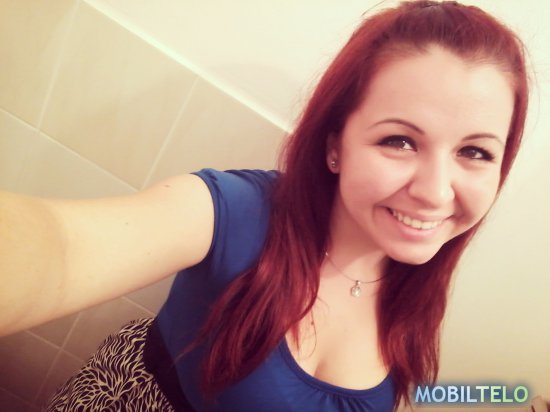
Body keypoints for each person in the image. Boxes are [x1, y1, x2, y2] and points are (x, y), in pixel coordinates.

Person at [0, 1, 529, 411]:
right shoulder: (238, 214)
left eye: (475, 152)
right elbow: (60, 248)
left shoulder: (418, 291)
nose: (436, 192)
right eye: (400, 141)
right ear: (335, 145)